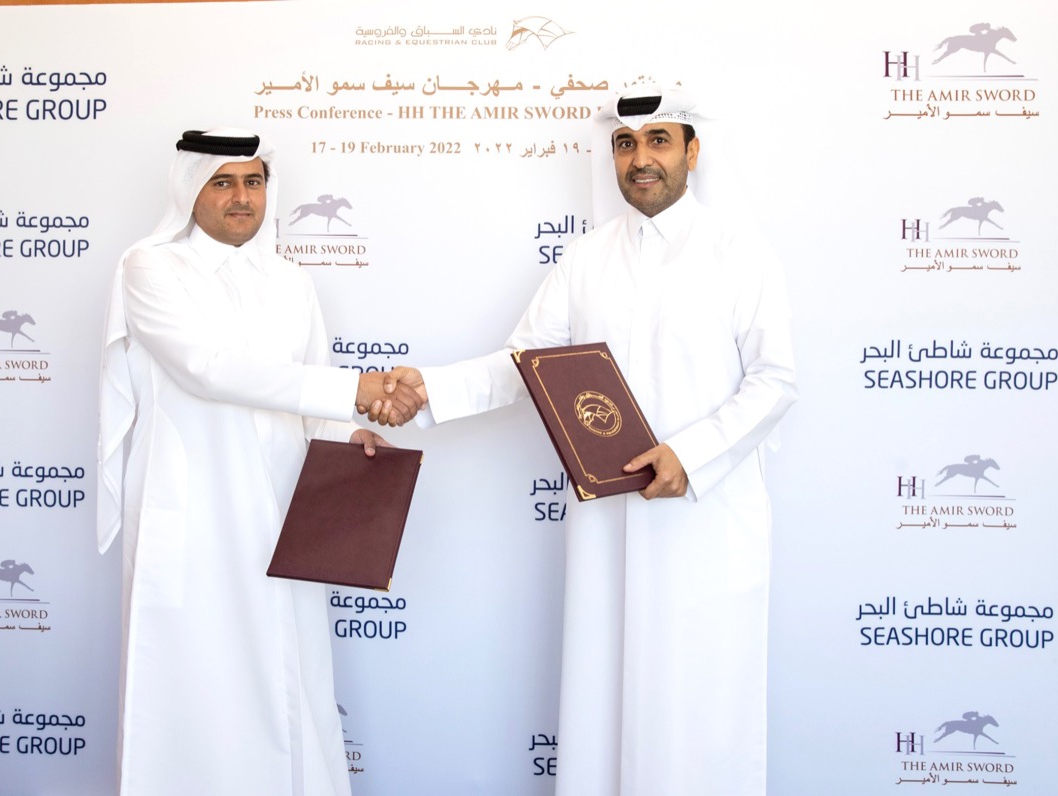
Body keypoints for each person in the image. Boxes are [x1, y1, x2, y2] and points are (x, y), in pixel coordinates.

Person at [372, 85, 797, 794]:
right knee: (606, 704)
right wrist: (430, 389)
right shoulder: (586, 258)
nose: (640, 158)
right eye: (625, 144)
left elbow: (776, 380)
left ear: (692, 152)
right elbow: (525, 365)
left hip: (703, 522)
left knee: (695, 712)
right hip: (606, 527)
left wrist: (690, 456)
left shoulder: (740, 253)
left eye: (658, 141)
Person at [96, 128, 422, 795]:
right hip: (191, 510)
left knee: (288, 676)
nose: (241, 197)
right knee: (193, 681)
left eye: (253, 182)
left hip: (284, 509)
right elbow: (208, 369)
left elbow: (314, 387)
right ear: (191, 190)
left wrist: (349, 434)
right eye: (222, 182)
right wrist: (352, 390)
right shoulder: (150, 267)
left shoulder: (290, 280)